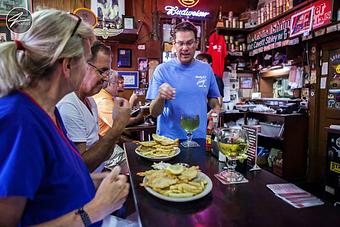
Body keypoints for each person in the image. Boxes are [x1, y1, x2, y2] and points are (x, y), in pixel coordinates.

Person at [0, 9, 129, 226]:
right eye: (88, 61)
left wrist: (99, 181)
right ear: (68, 65)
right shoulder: (18, 121)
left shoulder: (50, 110)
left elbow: (53, 183)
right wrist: (95, 209)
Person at [57, 41, 131, 172]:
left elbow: (101, 148)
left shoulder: (90, 101)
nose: (105, 79)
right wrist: (118, 126)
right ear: (81, 66)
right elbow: (81, 166)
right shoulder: (68, 104)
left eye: (107, 74)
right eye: (102, 71)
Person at [146, 21, 221, 140]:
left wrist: (216, 107)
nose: (185, 48)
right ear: (174, 44)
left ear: (196, 43)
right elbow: (154, 113)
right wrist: (160, 96)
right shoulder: (162, 70)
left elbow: (212, 98)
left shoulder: (206, 69)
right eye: (180, 43)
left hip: (198, 139)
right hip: (168, 142)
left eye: (189, 43)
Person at [93, 71, 144, 137]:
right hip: (103, 140)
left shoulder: (107, 96)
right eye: (117, 83)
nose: (118, 86)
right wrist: (137, 119)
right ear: (109, 84)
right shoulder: (103, 100)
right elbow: (118, 122)